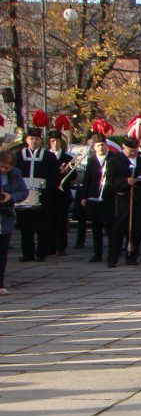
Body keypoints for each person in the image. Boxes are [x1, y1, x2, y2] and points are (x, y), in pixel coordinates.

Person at [79, 133, 127, 267]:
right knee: (96, 227)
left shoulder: (114, 158)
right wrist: (84, 197)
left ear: (107, 146)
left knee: (112, 226)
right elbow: (87, 181)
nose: (101, 148)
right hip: (95, 197)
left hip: (110, 196)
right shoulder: (91, 161)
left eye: (103, 145)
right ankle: (97, 253)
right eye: (98, 146)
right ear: (94, 147)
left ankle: (113, 252)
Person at [15, 119, 58, 262]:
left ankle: (41, 253)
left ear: (41, 140)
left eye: (37, 139)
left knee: (42, 226)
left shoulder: (49, 156)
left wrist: (48, 191)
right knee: (25, 227)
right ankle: (27, 253)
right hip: (23, 195)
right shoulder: (18, 155)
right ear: (26, 140)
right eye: (31, 139)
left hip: (43, 195)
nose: (34, 141)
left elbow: (54, 176)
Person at [117, 136, 141, 266]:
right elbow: (110, 180)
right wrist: (125, 181)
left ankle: (133, 256)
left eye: (135, 150)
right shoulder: (116, 160)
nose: (133, 153)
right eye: (130, 150)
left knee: (137, 231)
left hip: (139, 200)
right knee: (119, 230)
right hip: (123, 200)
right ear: (124, 148)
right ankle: (113, 257)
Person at [0, 150, 29, 295]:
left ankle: (0, 283)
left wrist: (10, 197)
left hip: (5, 215)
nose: (3, 170)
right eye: (1, 167)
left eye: (7, 167)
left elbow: (24, 192)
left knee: (2, 252)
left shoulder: (15, 173)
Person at [47, 127, 75, 256]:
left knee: (62, 222)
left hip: (63, 194)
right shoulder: (46, 156)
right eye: (52, 141)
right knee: (50, 221)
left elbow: (74, 176)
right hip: (49, 194)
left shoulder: (67, 157)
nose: (55, 144)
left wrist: (67, 171)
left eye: (57, 141)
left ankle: (61, 247)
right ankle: (50, 246)